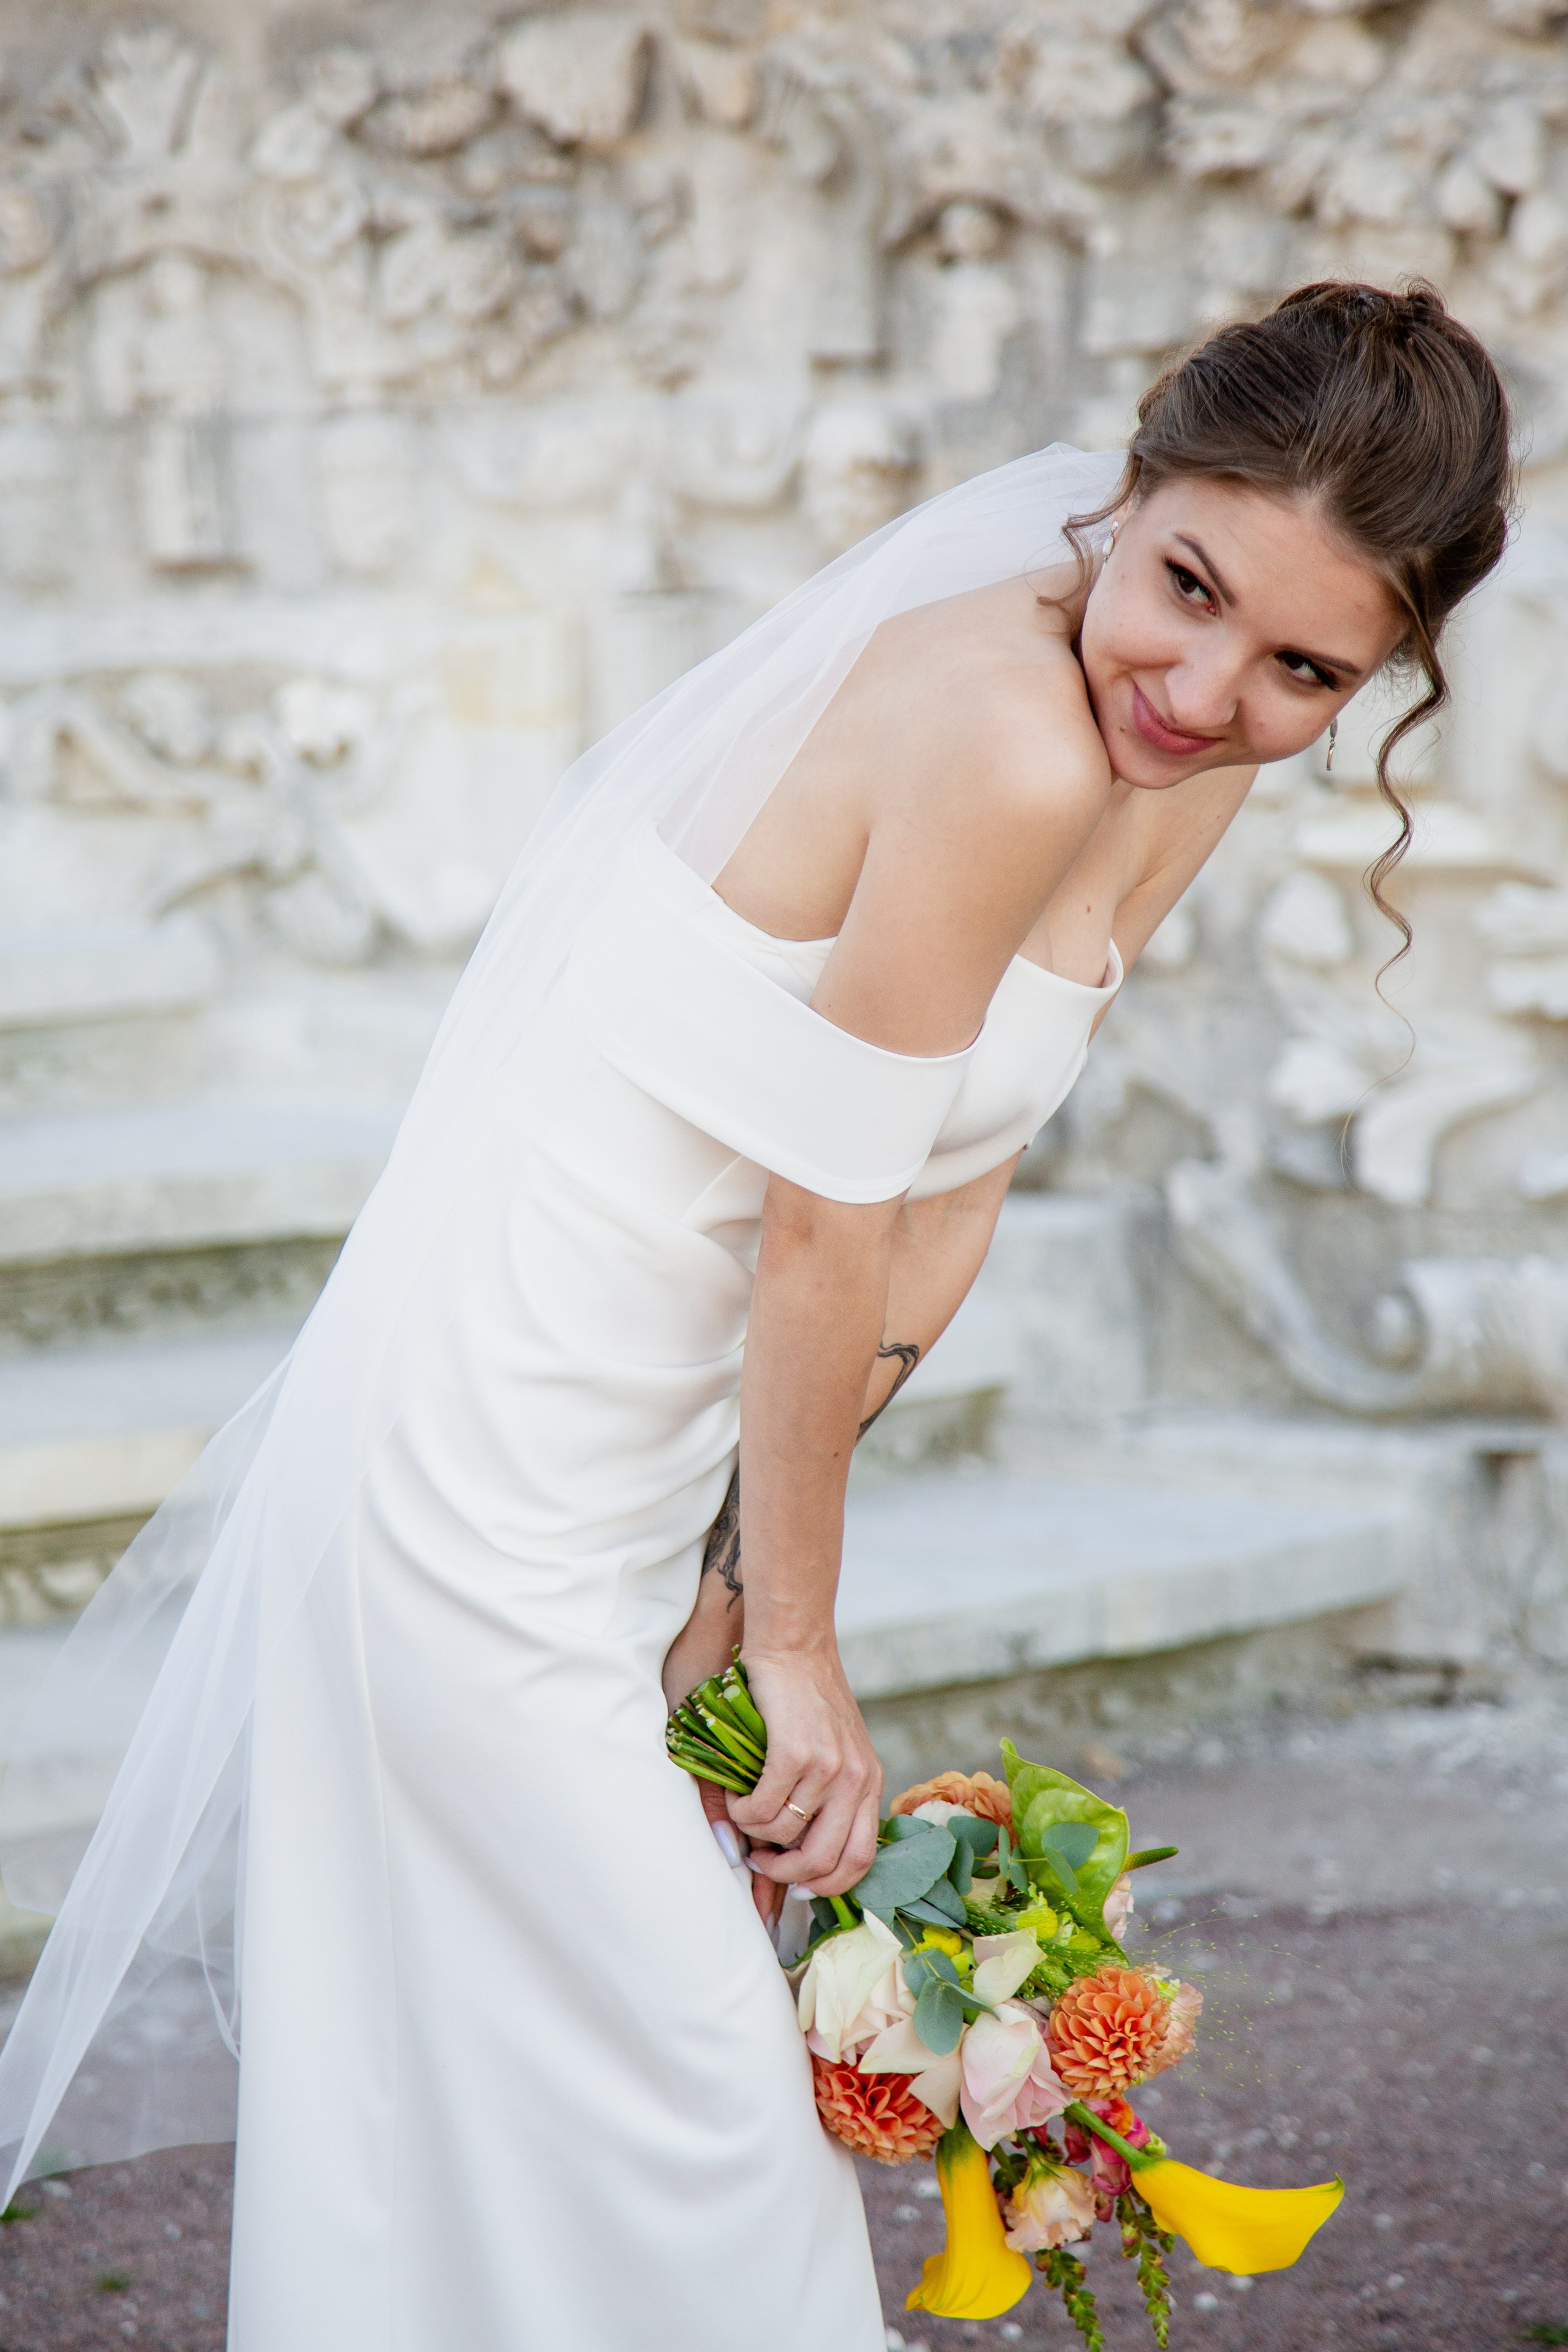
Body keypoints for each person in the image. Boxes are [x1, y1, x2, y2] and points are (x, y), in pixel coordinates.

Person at [0, 282, 1512, 2348]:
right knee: (701, 2115)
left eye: (1303, 670)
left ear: (1375, 671)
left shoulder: (1172, 754)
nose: (1202, 686)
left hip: (635, 1489)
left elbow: (957, 1185)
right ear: (1139, 480)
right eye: (1187, 585)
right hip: (483, 1484)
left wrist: (721, 1601)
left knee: (527, 2123)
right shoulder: (1004, 733)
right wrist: (797, 1651)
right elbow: (823, 1231)